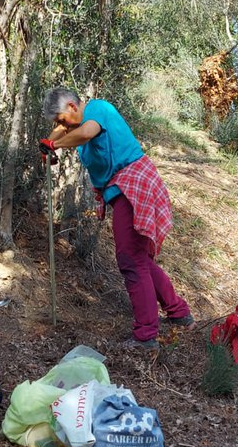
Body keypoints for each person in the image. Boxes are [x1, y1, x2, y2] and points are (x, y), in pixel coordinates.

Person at [41, 88, 194, 351]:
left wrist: (54, 144)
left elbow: (86, 132)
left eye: (62, 119)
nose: (61, 126)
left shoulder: (97, 109)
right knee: (140, 258)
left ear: (72, 106)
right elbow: (61, 132)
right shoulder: (76, 120)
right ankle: (178, 312)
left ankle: (146, 336)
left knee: (131, 260)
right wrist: (48, 140)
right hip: (127, 187)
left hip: (133, 184)